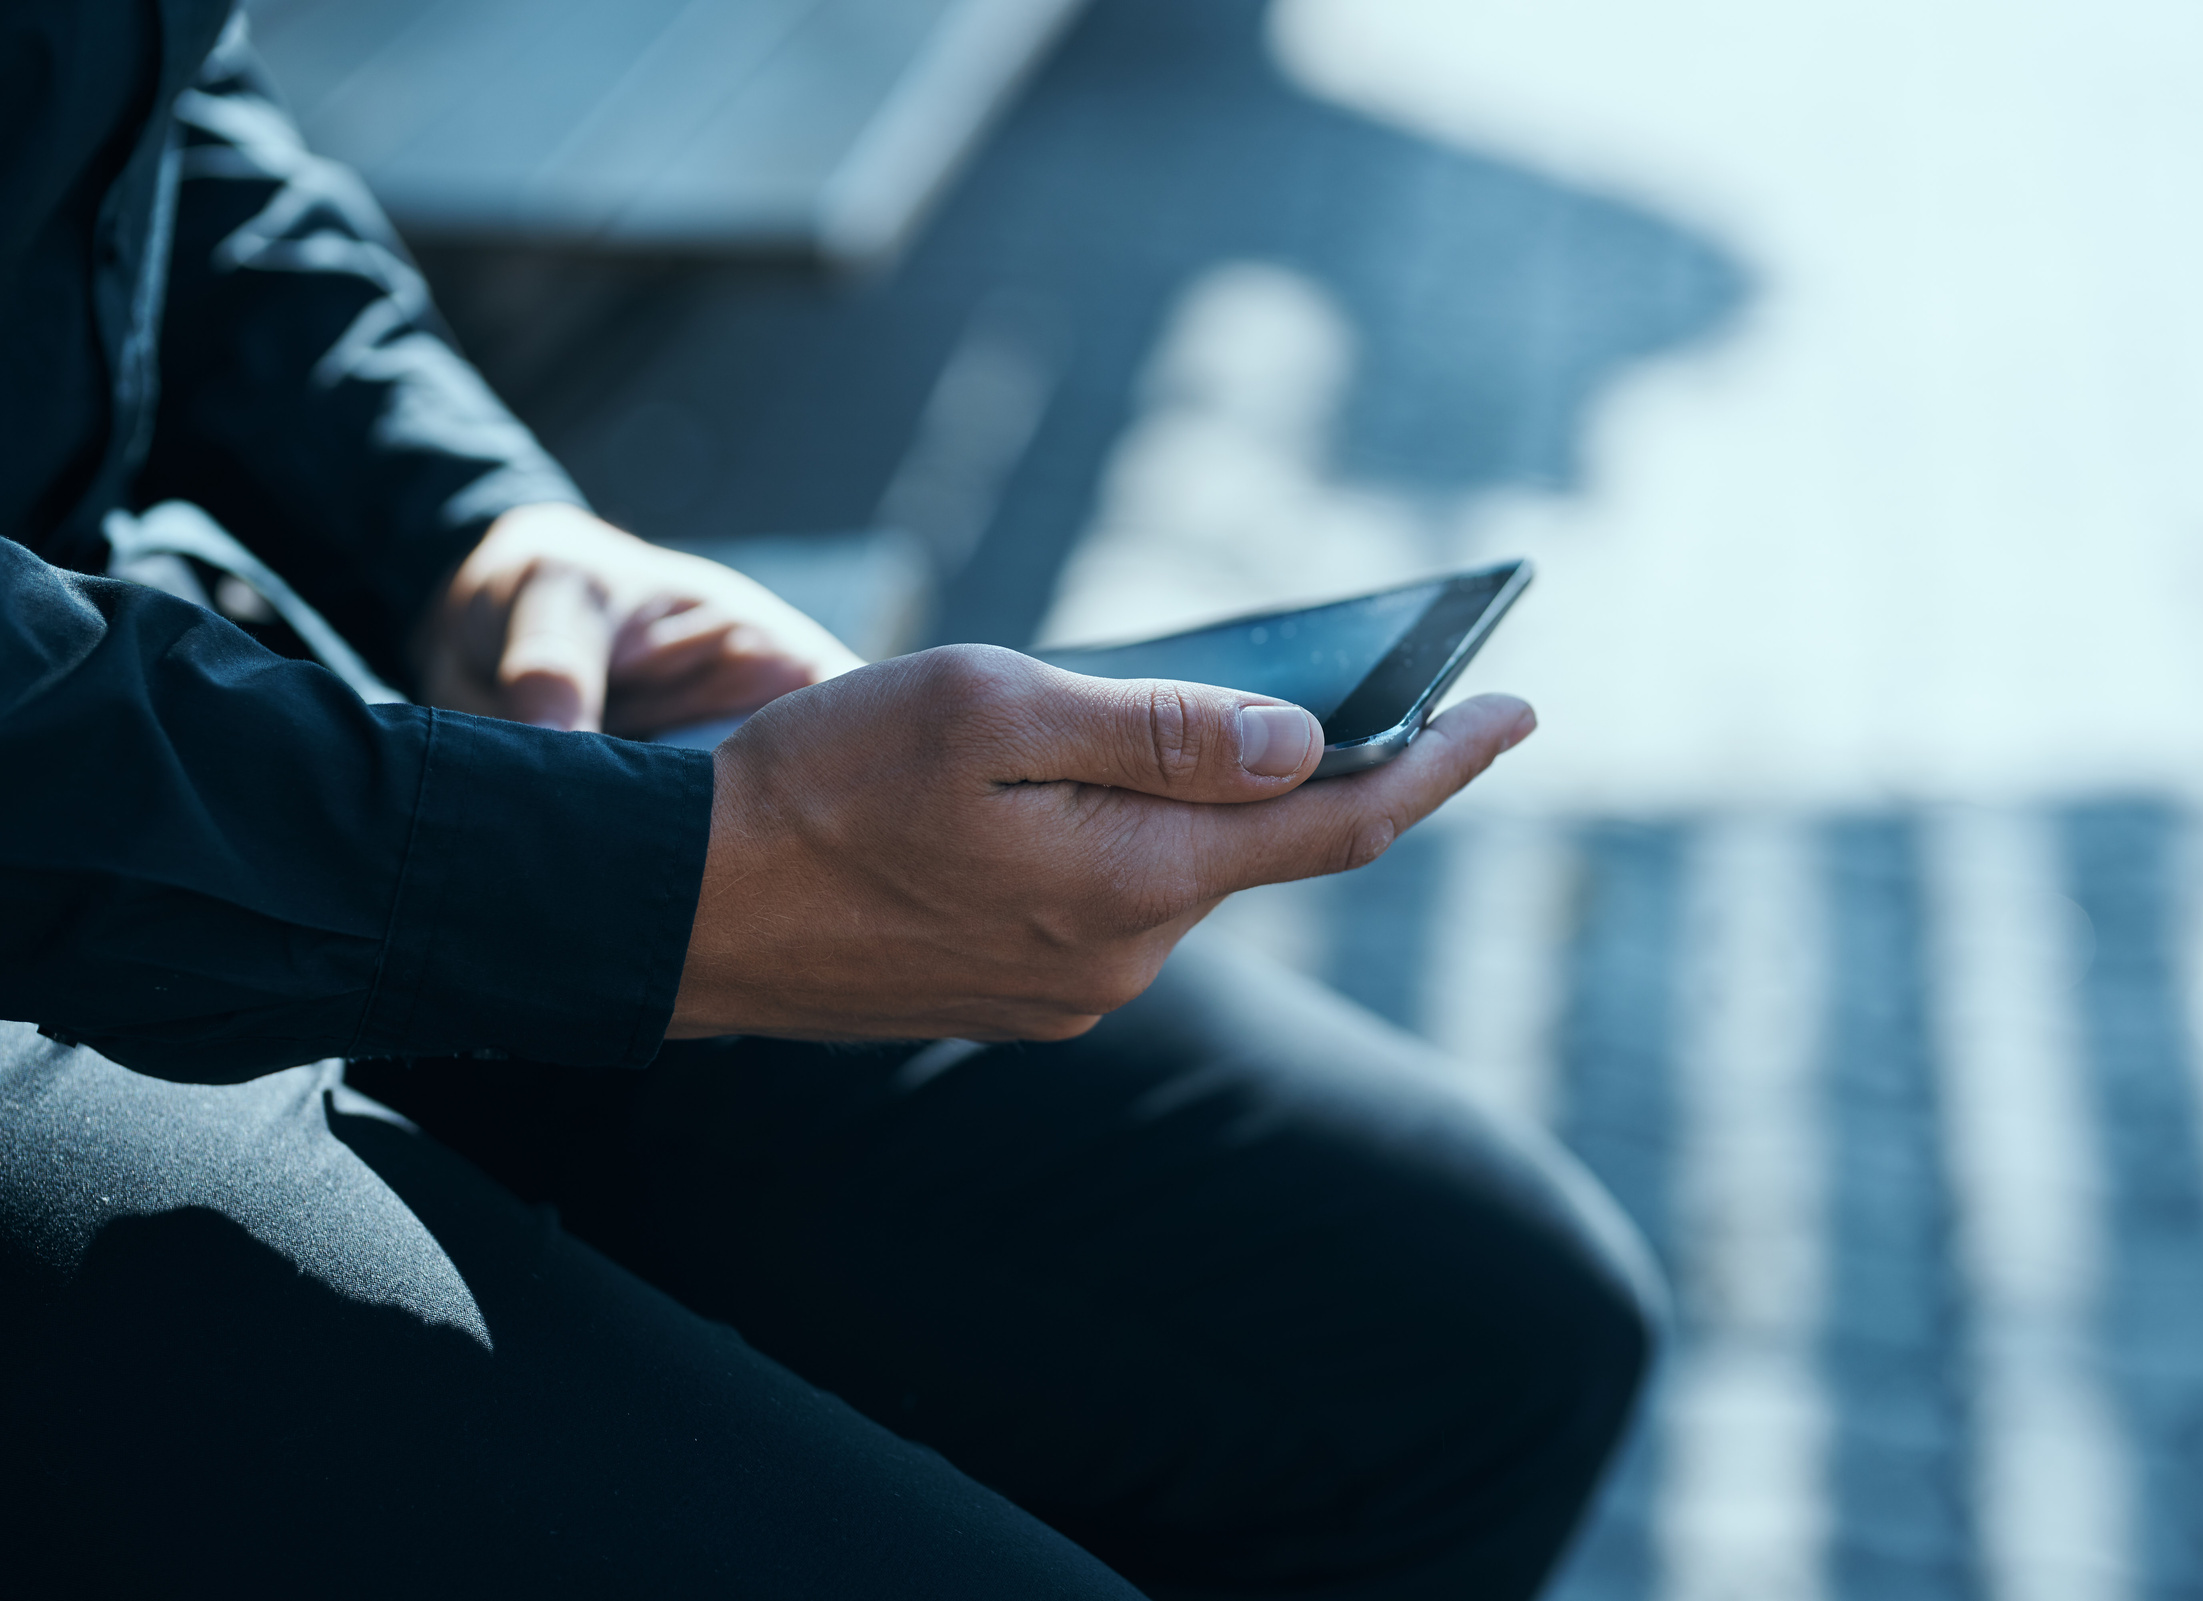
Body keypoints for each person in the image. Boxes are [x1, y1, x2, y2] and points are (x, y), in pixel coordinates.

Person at [0, 5, 1661, 1596]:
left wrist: (463, 521)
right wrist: (657, 892)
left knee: (1472, 1338)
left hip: (179, 686)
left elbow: (152, 105)